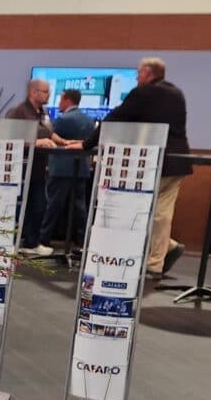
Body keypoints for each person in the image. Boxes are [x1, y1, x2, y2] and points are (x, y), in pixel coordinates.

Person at [67, 57, 191, 278]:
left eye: (138, 74)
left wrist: (86, 144)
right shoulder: (177, 93)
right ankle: (168, 248)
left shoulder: (144, 93)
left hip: (156, 162)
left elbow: (114, 118)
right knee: (162, 213)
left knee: (146, 212)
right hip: (179, 162)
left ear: (148, 74)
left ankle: (154, 264)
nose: (136, 78)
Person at [5, 79, 57, 256]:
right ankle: (8, 242)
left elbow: (49, 133)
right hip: (19, 169)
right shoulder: (18, 112)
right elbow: (9, 137)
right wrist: (37, 142)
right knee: (17, 207)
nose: (48, 95)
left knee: (38, 207)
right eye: (45, 91)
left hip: (38, 169)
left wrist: (65, 142)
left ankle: (31, 242)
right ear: (33, 92)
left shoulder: (43, 112)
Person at [41, 89, 95, 251]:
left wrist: (62, 142)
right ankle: (81, 241)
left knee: (53, 205)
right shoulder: (89, 120)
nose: (58, 103)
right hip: (82, 168)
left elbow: (50, 135)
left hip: (61, 168)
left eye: (60, 99)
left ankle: (44, 239)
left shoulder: (62, 120)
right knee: (80, 206)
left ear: (67, 100)